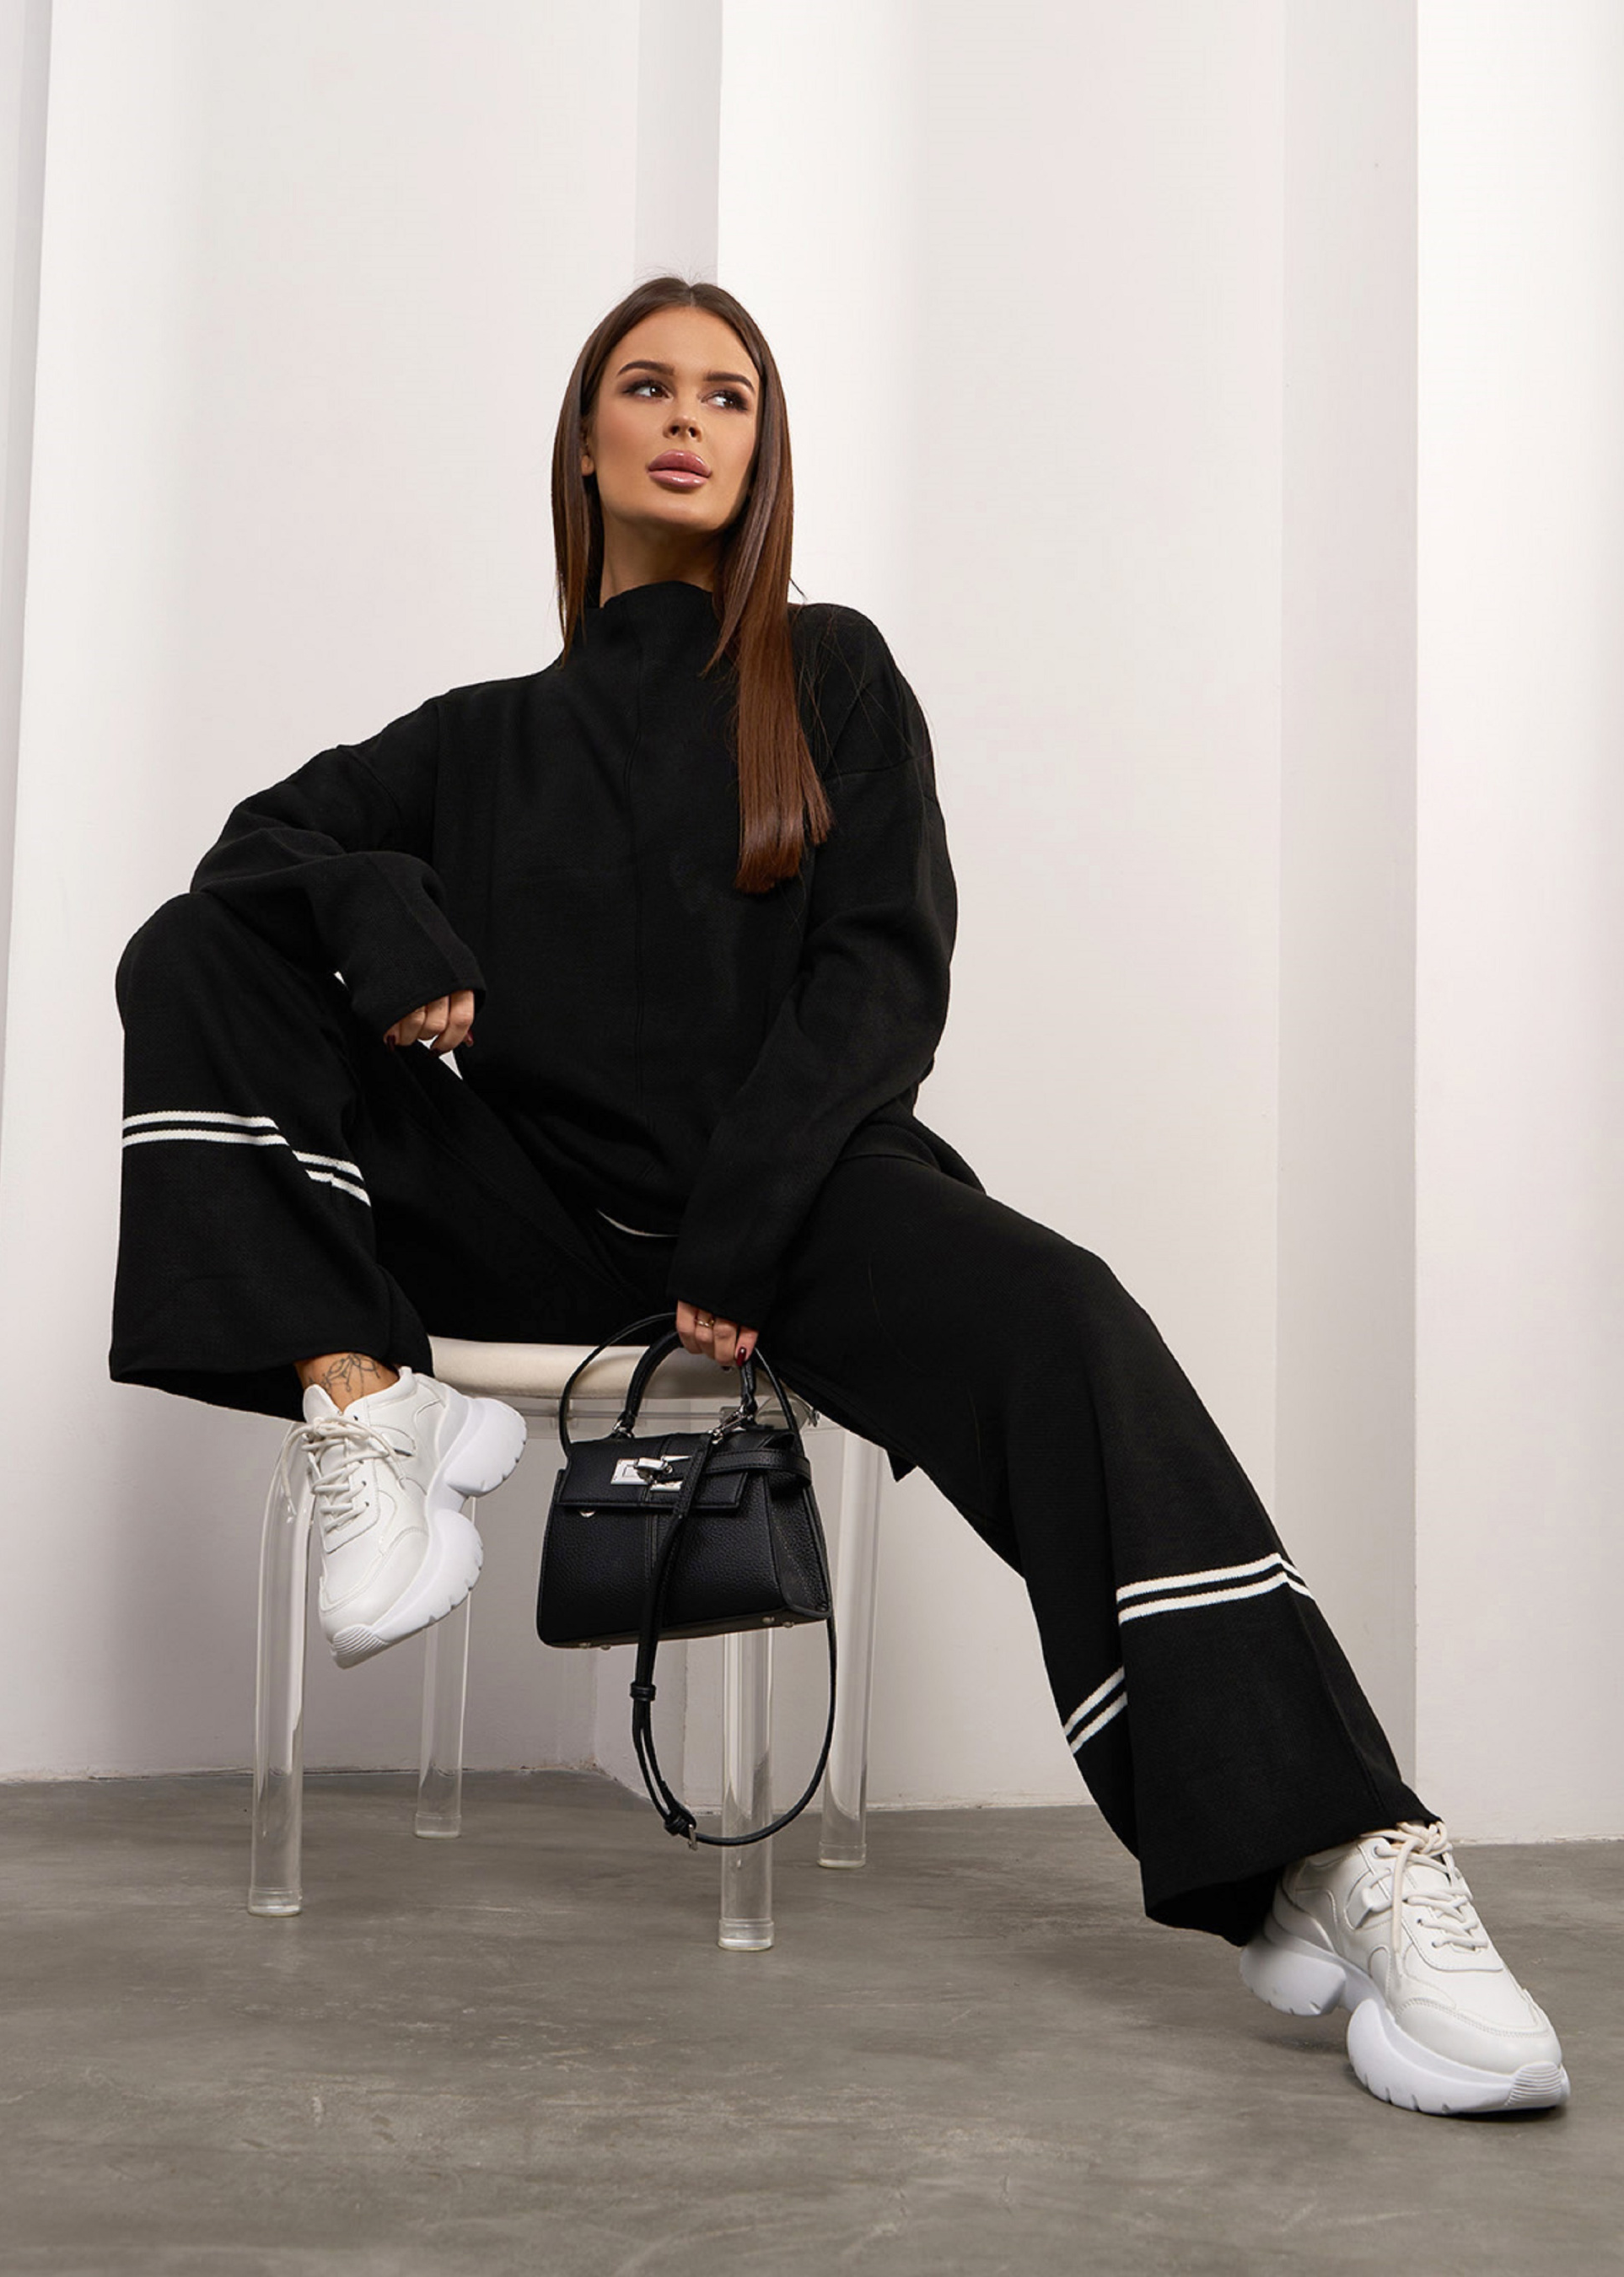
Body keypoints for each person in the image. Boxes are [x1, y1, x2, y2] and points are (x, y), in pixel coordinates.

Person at [108, 277, 1568, 2118]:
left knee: (1064, 1318)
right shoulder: (472, 743)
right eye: (645, 387)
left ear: (761, 448)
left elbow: (881, 976)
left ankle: (1335, 1852)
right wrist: (375, 902)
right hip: (531, 1211)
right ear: (584, 441)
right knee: (194, 943)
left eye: (726, 395)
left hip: (798, 1200)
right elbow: (252, 855)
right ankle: (361, 1396)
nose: (684, 419)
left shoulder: (829, 674)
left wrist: (741, 1225)